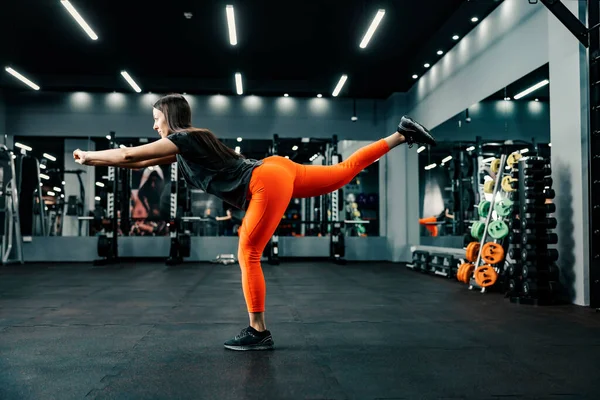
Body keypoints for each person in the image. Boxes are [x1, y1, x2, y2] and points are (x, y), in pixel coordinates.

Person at [72, 93, 436, 351]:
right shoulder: (184, 147)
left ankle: (258, 331)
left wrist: (89, 156)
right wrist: (100, 161)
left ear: (169, 116)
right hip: (275, 169)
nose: (153, 123)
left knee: (248, 252)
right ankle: (402, 133)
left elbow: (131, 153)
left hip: (264, 180)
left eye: (155, 117)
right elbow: (135, 162)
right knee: (342, 172)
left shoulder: (182, 138)